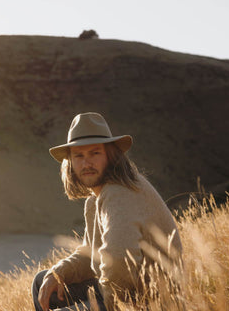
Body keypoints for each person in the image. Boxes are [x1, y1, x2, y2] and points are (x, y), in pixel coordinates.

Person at [32, 112, 183, 311]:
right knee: (43, 281)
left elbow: (120, 258)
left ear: (111, 155)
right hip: (127, 290)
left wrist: (113, 306)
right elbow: (91, 256)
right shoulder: (96, 199)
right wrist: (57, 273)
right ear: (70, 162)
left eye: (95, 153)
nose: (86, 164)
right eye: (79, 155)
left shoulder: (119, 192)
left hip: (150, 301)